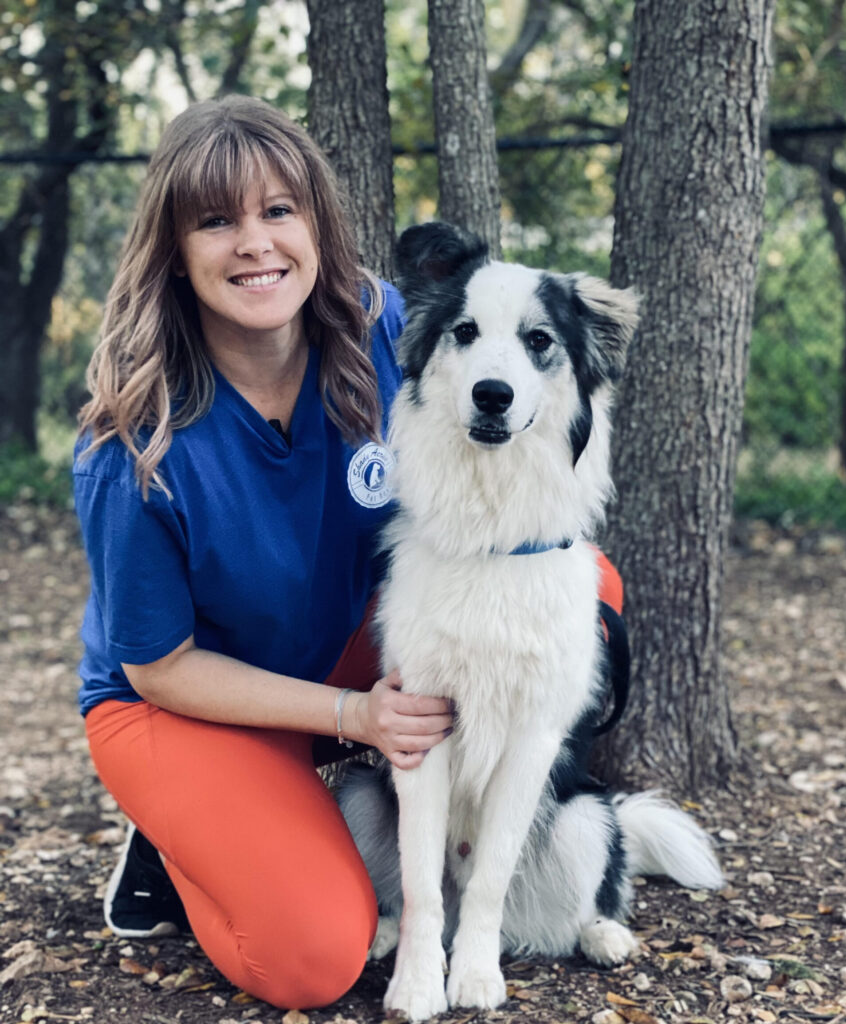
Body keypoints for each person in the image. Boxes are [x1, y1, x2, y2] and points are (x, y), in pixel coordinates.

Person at [74, 95, 624, 1010]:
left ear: (316, 225)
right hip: (182, 700)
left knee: (579, 585)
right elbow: (158, 667)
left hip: (339, 648)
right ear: (175, 251)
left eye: (277, 211)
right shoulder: (137, 443)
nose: (255, 244)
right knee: (313, 959)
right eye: (217, 221)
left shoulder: (381, 327)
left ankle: (272, 813)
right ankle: (179, 845)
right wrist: (352, 716)